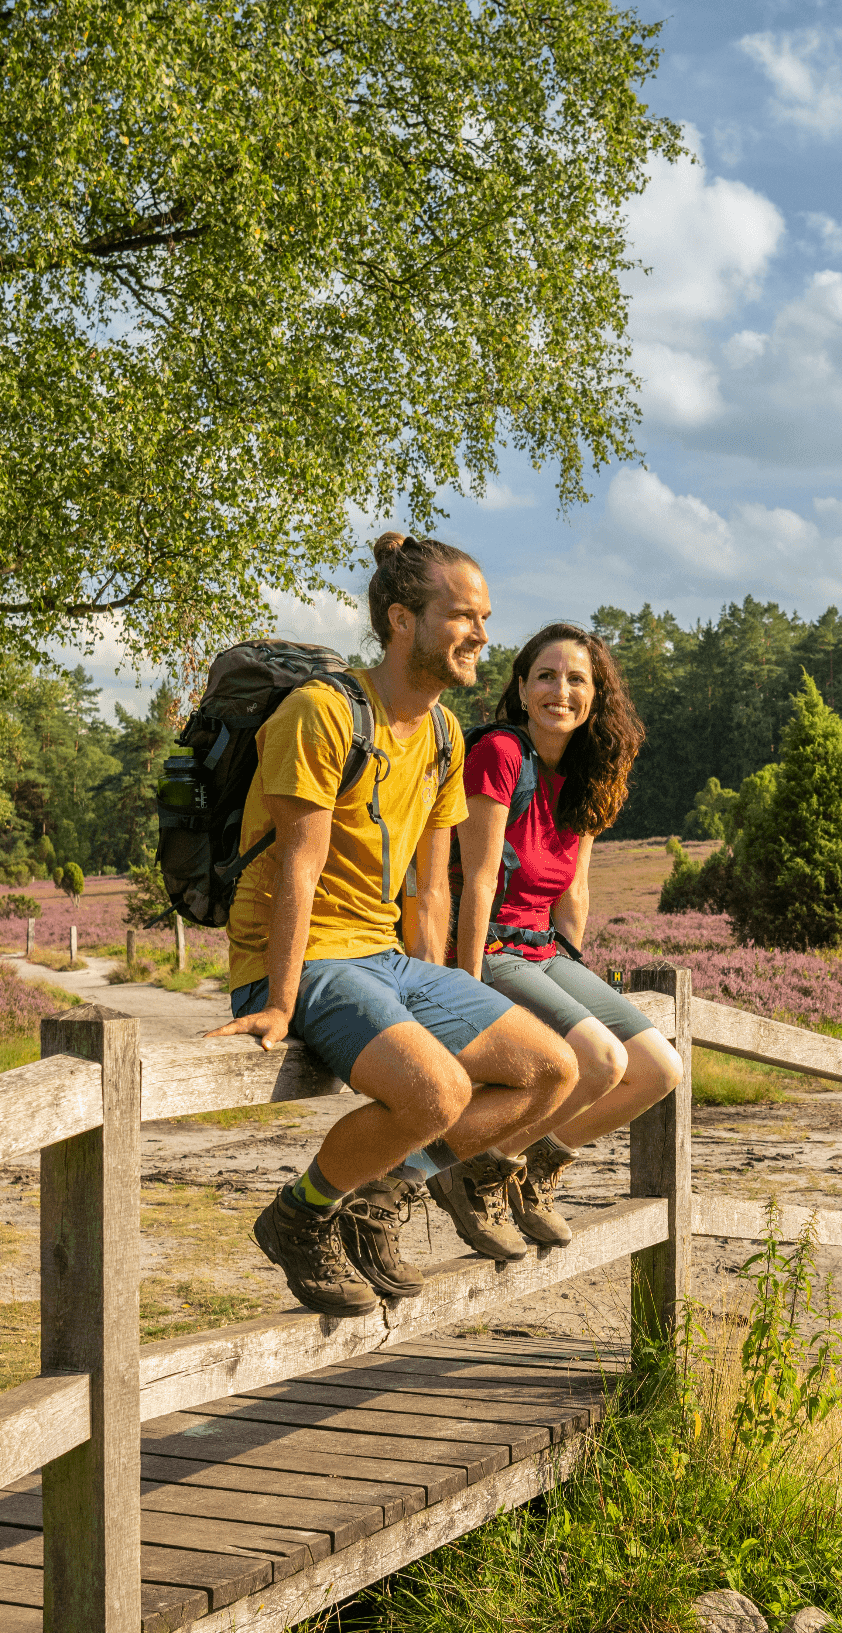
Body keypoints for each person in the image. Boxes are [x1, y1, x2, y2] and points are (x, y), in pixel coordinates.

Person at [207, 533, 579, 1316]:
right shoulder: (324, 713)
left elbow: (428, 893)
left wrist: (457, 995)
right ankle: (300, 1216)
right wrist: (274, 1001)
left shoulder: (444, 733)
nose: (481, 635)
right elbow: (296, 870)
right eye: (463, 616)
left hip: (385, 957)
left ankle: (383, 1196)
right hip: (307, 960)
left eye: (485, 617)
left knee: (552, 1071)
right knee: (438, 1093)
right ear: (404, 620)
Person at [450, 622, 685, 1246]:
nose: (561, 690)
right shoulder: (500, 754)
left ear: (595, 695)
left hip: (544, 950)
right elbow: (477, 880)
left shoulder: (588, 771)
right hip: (490, 943)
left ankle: (532, 1169)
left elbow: (572, 892)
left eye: (577, 679)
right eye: (546, 677)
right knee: (603, 1060)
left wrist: (576, 980)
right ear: (522, 689)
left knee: (659, 1069)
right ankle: (478, 1171)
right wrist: (466, 990)